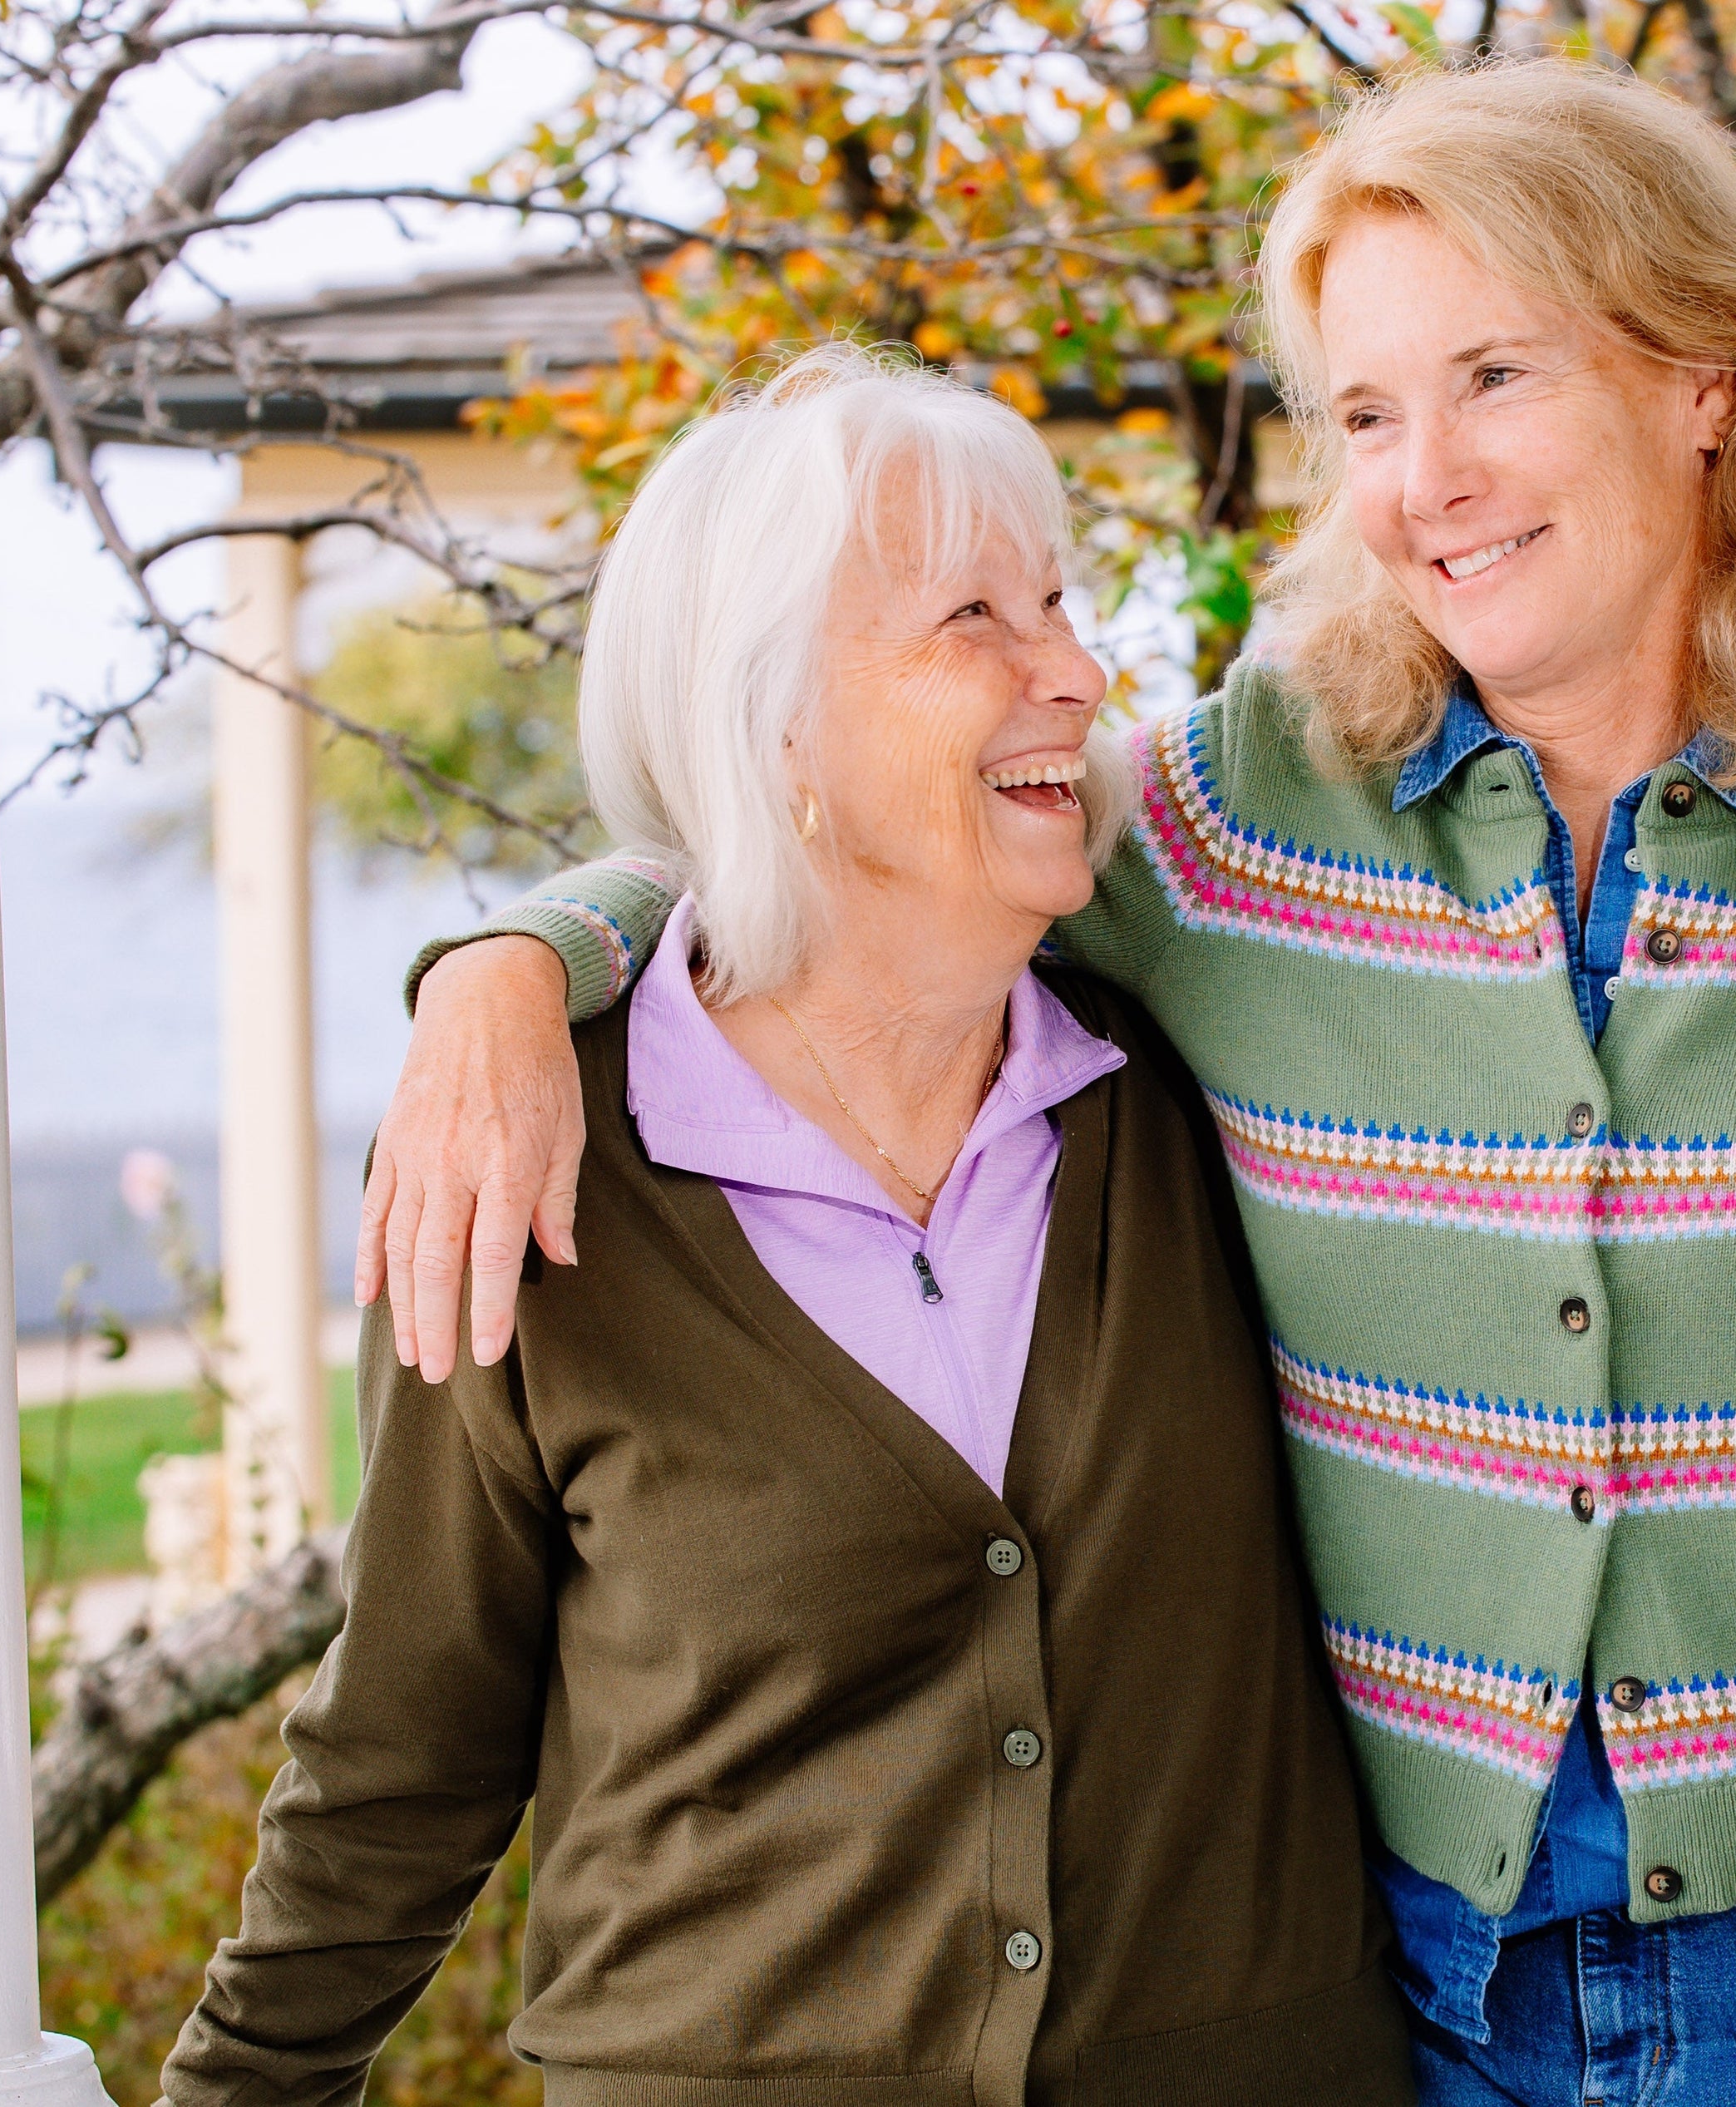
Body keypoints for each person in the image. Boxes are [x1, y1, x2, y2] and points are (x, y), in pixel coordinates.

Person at [365, 62, 1736, 2107]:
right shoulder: (1250, 815)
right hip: (1421, 1971)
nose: (1420, 479)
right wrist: (511, 960)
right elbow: (854, 813)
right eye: (1360, 414)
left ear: (1706, 375)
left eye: (1493, 378)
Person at [159, 348, 1418, 2107]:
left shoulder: (1196, 1070)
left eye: (1056, 601)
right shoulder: (529, 1153)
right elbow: (408, 1743)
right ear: (777, 725)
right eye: (973, 616)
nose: (1072, 670)